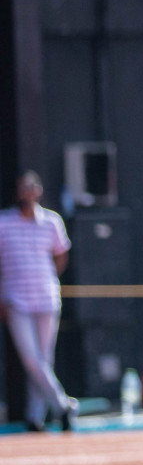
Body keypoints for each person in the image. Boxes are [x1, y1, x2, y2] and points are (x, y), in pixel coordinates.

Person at [0, 172, 75, 431]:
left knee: (44, 359)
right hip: (16, 300)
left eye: (32, 188)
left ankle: (35, 417)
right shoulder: (3, 223)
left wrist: (48, 277)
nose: (28, 193)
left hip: (46, 298)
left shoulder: (51, 221)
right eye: (23, 188)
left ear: (39, 191)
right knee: (32, 359)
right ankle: (63, 405)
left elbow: (60, 255)